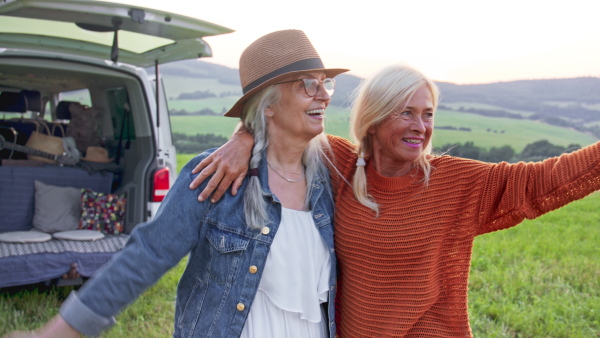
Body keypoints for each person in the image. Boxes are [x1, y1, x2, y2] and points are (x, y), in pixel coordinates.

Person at [188, 64, 600, 337]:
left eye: (428, 113)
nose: (421, 126)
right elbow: (279, 125)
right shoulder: (338, 164)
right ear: (374, 118)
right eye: (406, 113)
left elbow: (545, 180)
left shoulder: (456, 181)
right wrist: (243, 139)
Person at [4, 29, 348, 338]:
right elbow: (149, 252)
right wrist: (66, 329)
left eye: (324, 82)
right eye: (307, 83)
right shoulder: (215, 174)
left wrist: (244, 136)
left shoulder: (334, 173)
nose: (323, 94)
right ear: (268, 104)